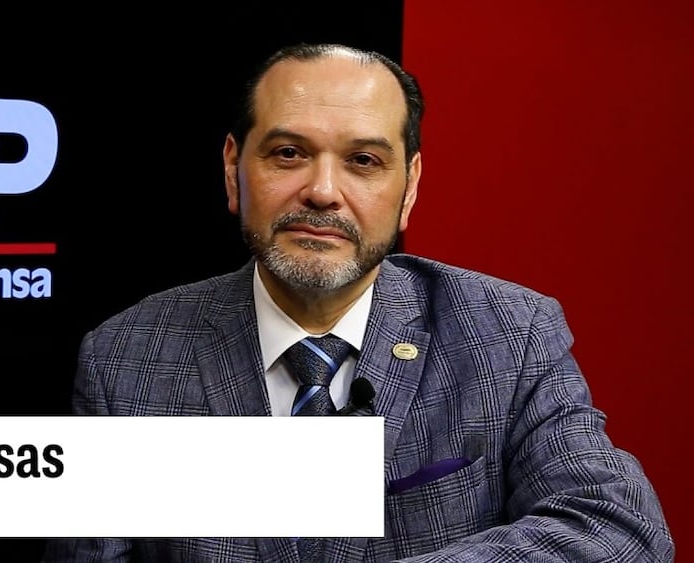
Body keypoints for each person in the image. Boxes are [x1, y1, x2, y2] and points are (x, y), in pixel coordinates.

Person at [42, 43, 673, 562]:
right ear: (233, 169)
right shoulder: (125, 359)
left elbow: (617, 529)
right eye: (288, 153)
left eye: (363, 161)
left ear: (409, 187)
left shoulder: (510, 335)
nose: (322, 191)